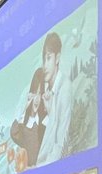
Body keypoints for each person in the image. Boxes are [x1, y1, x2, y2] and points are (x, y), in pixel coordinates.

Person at [37, 32, 72, 166]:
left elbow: (60, 145)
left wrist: (36, 168)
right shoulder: (48, 94)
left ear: (57, 58)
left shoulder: (65, 88)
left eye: (49, 58)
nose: (45, 65)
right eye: (44, 60)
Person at [10, 67, 48, 167]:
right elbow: (13, 133)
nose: (37, 99)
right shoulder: (24, 125)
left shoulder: (44, 122)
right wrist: (25, 107)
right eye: (34, 93)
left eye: (40, 94)